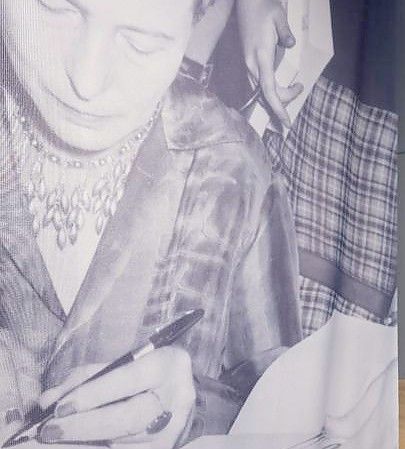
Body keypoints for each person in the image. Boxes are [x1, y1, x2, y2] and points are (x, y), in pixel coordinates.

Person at [0, 0, 301, 447]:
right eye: (55, 8)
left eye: (142, 42)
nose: (86, 79)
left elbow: (289, 413)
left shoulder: (232, 168)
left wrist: (192, 411)